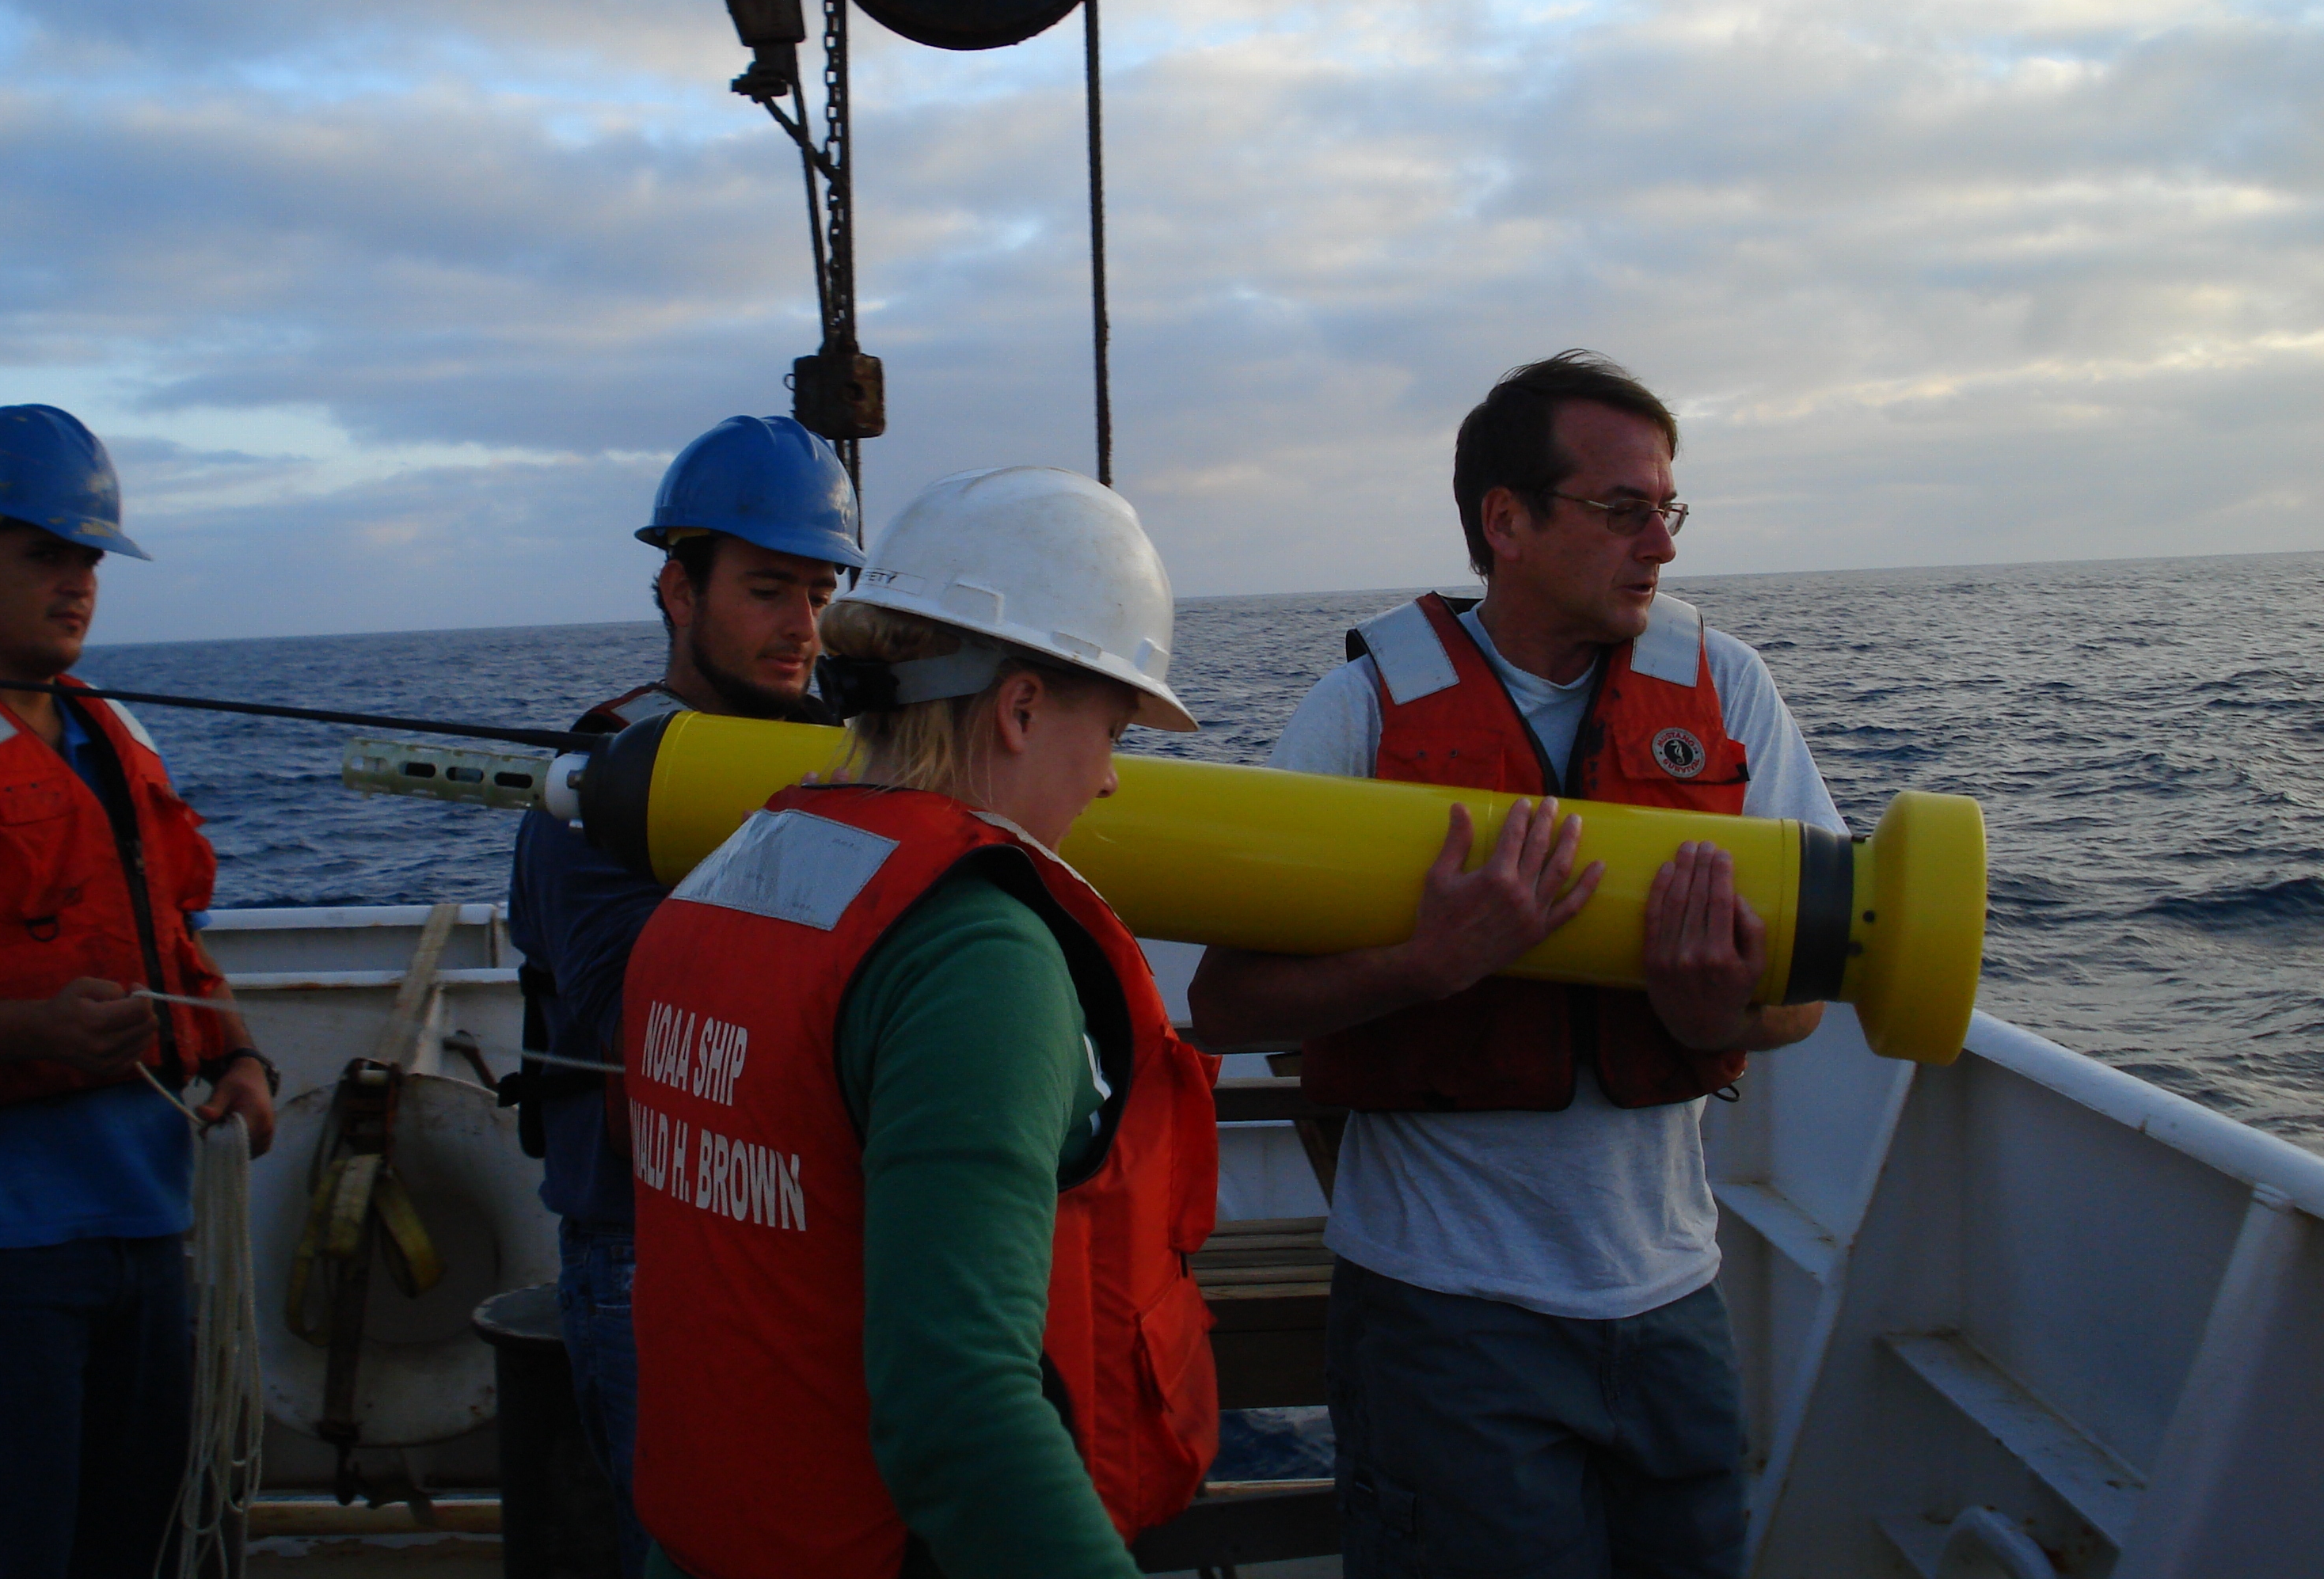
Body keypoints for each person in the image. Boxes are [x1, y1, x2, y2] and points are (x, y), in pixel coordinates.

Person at [1189, 352, 1841, 1579]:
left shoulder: (1731, 692)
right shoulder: (1367, 711)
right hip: (1444, 1314)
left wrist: (1732, 1013)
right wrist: (1427, 965)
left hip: (1671, 1303)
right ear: (1508, 521)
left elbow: (1806, 1001)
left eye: (1668, 509)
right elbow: (1226, 1004)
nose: (1659, 543)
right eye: (1621, 509)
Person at [624, 466, 1222, 1579]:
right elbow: (959, 1414)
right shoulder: (973, 954)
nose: (1109, 783)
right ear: (1023, 706)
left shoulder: (726, 882)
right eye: (1114, 729)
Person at [0, 403, 278, 1578]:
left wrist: (239, 1060)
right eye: (44, 554)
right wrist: (33, 1028)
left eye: (89, 558)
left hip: (146, 1238)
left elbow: (178, 944)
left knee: (137, 1551)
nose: (77, 583)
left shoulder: (115, 738)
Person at [505, 413, 865, 1577]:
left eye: (820, 593)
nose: (801, 627)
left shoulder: (846, 761)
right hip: (648, 1256)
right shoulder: (598, 784)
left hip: (811, 1231)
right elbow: (645, 1027)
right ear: (678, 588)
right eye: (768, 589)